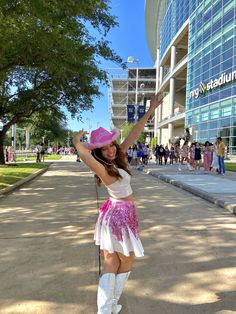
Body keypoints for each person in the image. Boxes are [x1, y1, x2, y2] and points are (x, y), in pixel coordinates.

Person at [72, 94, 161, 314]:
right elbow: (86, 157)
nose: (112, 150)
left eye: (112, 145)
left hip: (114, 213)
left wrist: (150, 110)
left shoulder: (117, 158)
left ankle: (107, 307)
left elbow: (135, 132)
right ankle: (108, 306)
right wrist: (77, 143)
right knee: (126, 260)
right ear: (99, 152)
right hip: (120, 215)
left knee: (112, 262)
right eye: (105, 148)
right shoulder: (104, 169)